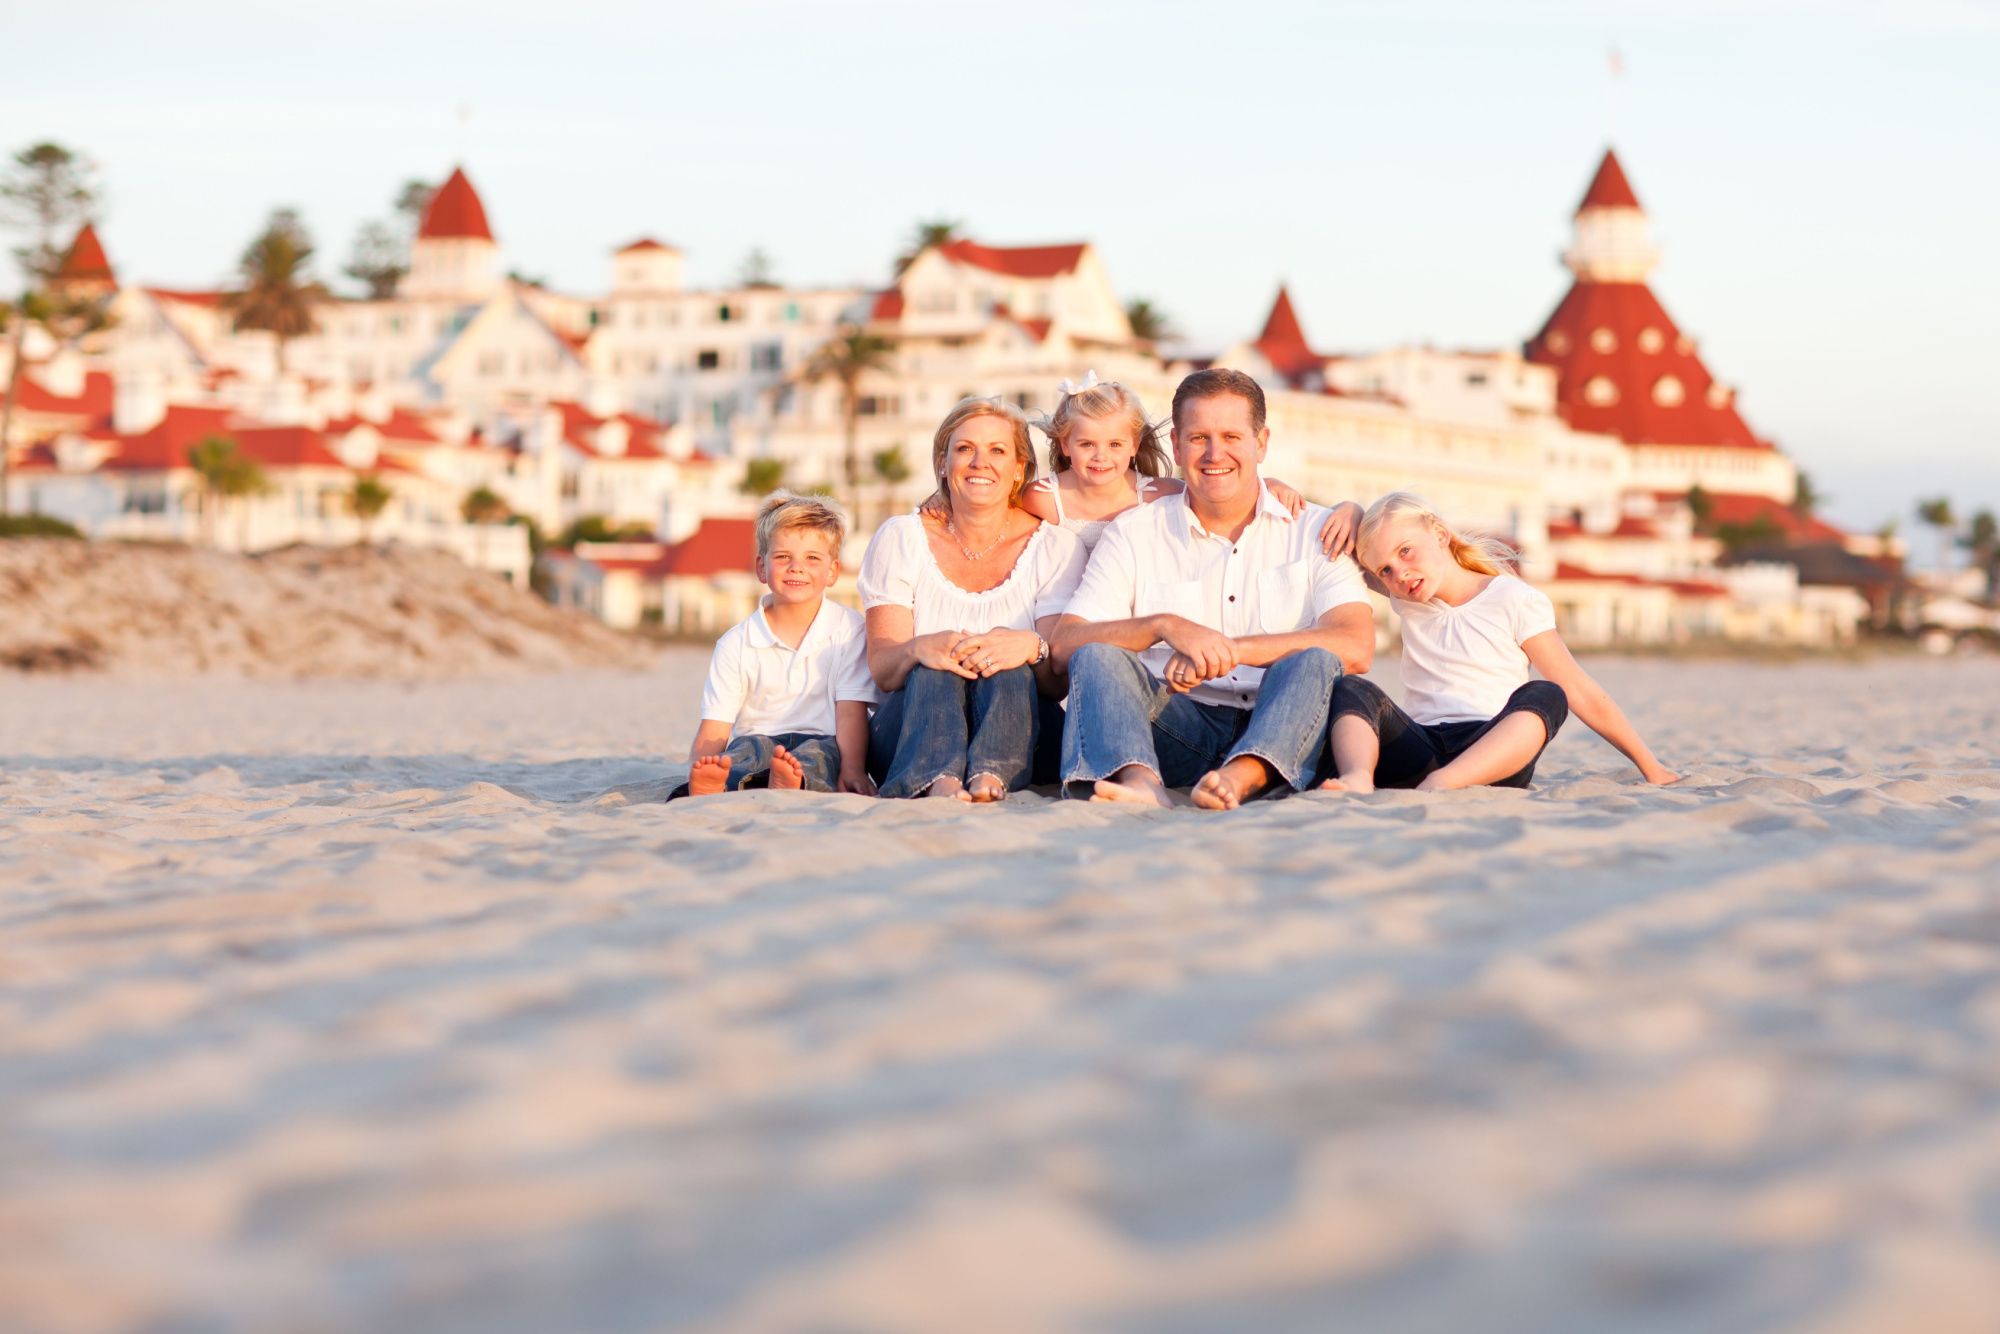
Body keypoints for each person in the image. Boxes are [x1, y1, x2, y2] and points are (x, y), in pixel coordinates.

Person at [1051, 368, 1374, 809]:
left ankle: (1245, 775)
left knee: (1316, 659)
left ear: (1261, 443)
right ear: (1177, 447)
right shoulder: (1134, 531)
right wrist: (1165, 625)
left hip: (1285, 723)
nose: (1214, 453)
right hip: (1177, 726)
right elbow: (1066, 643)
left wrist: (1229, 649)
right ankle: (1142, 783)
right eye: (1199, 437)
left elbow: (1356, 645)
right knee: (1095, 654)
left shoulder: (1316, 529)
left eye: (1232, 437)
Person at [1323, 491, 1679, 793]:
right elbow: (1336, 544)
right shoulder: (1409, 596)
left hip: (1492, 754)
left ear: (1440, 533)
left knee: (1548, 694)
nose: (1399, 574)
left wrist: (1651, 767)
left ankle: (1445, 783)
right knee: (1354, 688)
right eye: (1385, 570)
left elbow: (1579, 688)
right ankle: (1358, 777)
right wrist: (1350, 509)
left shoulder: (1513, 599)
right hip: (1422, 748)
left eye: (1406, 552)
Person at [858, 396, 1086, 802]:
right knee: (933, 665)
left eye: (997, 451)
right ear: (943, 464)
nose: (981, 462)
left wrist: (1030, 647)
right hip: (910, 732)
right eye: (965, 449)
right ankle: (937, 781)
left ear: (1019, 470)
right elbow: (883, 671)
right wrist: (918, 648)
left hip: (1021, 735)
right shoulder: (900, 538)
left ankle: (991, 778)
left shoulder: (1056, 547)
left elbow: (1056, 682)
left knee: (1009, 662)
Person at [1020, 369, 1360, 556]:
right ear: (1065, 443)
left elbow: (1216, 489)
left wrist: (1272, 486)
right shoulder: (1043, 498)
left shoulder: (1155, 494)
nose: (1100, 456)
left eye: (1114, 444)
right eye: (1086, 444)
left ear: (1134, 445)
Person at [678, 491, 879, 798]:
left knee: (818, 759)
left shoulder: (849, 631)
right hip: (759, 739)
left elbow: (851, 712)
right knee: (742, 754)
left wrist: (852, 770)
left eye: (812, 558)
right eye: (783, 557)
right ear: (761, 567)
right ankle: (717, 784)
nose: (796, 567)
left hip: (823, 739)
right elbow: (716, 725)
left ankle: (790, 780)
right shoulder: (736, 642)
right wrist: (701, 765)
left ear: (832, 571)